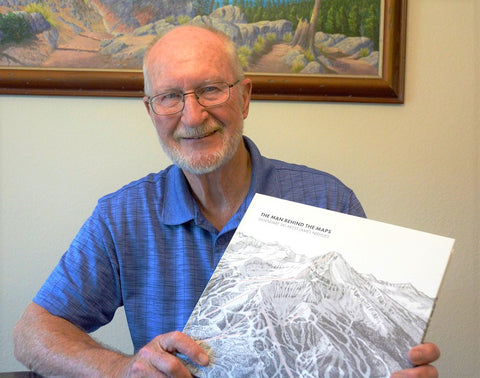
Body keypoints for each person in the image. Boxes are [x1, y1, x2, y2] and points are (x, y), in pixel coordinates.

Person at [14, 25, 440, 377]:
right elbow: (32, 333)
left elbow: (368, 341)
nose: (193, 115)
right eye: (169, 97)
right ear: (150, 111)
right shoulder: (122, 215)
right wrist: (123, 370)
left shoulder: (329, 201)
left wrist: (397, 366)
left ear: (246, 96)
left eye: (211, 89)